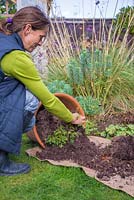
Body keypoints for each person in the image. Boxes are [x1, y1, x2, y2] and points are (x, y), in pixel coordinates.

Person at [0, 6, 85, 176]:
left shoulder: (4, 39)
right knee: (31, 100)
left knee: (28, 114)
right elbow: (47, 99)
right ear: (27, 29)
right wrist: (70, 117)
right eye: (41, 37)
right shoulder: (17, 57)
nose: (40, 43)